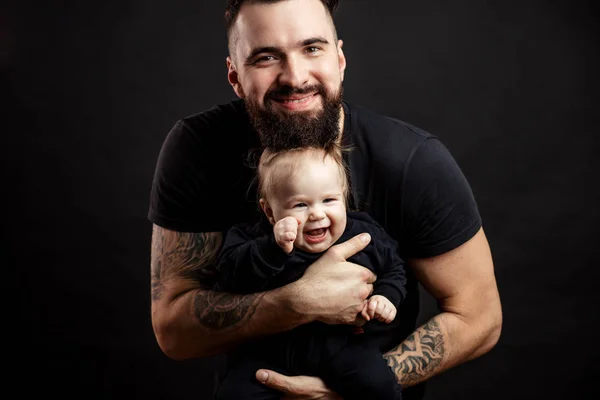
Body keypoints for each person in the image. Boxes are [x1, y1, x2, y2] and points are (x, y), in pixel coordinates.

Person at [148, 0, 503, 399]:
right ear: (234, 75)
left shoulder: (412, 161)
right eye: (266, 57)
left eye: (312, 48)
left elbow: (480, 317)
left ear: (340, 59)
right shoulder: (198, 149)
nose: (295, 76)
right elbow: (174, 332)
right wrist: (294, 303)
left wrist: (346, 387)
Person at [214, 145, 406, 399]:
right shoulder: (252, 239)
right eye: (300, 204)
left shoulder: (364, 235)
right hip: (269, 349)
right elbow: (230, 274)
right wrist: (273, 247)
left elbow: (394, 269)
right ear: (270, 211)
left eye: (329, 200)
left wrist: (386, 296)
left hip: (342, 346)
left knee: (380, 386)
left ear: (344, 196)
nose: (316, 213)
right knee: (233, 394)